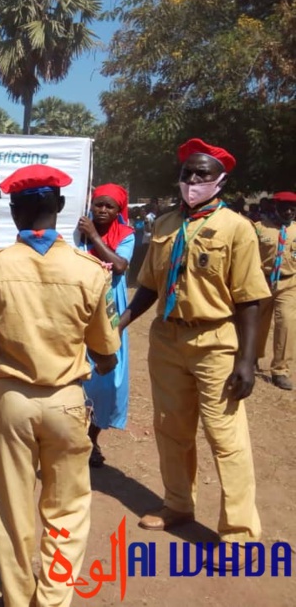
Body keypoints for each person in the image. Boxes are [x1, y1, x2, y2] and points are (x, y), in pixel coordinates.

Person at [0, 164, 120, 607]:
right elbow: (107, 355)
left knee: (13, 508)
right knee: (68, 508)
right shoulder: (91, 271)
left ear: (14, 209)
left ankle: (18, 599)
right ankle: (53, 599)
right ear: (58, 206)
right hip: (67, 402)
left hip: (10, 400)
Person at [118, 138, 269, 558]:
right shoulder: (165, 224)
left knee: (226, 437)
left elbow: (250, 300)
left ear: (220, 180)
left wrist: (247, 360)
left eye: (202, 174)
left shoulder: (236, 228)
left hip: (215, 340)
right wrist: (121, 323)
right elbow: (149, 286)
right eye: (188, 173)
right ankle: (178, 504)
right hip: (167, 338)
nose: (193, 180)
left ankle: (238, 530)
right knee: (171, 429)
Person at [76, 184, 135, 467]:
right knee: (77, 372)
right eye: (98, 204)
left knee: (109, 379)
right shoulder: (77, 231)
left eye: (109, 206)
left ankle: (92, 437)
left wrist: (94, 237)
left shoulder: (126, 235)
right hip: (79, 306)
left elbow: (120, 266)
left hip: (111, 310)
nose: (102, 210)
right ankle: (72, 437)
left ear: (118, 210)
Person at [255, 191, 296, 390]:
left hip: (289, 283)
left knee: (286, 323)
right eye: (284, 208)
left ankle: (281, 369)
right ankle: (252, 355)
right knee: (258, 323)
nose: (288, 212)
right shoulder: (260, 229)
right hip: (262, 281)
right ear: (275, 208)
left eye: (292, 208)